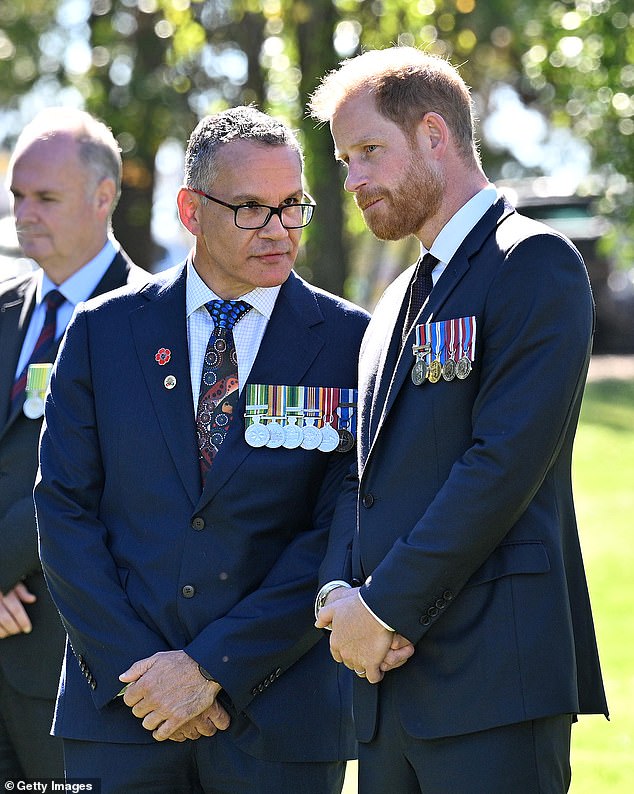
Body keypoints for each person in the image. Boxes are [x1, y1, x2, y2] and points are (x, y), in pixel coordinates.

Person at [34, 105, 368, 794]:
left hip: (279, 718)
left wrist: (212, 666)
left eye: (291, 206)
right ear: (190, 209)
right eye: (250, 208)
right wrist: (146, 675)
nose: (279, 231)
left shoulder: (346, 343)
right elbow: (64, 511)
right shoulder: (104, 332)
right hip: (122, 714)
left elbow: (342, 525)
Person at [309, 46, 608, 794]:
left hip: (492, 685)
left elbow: (501, 465)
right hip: (384, 690)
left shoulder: (533, 263)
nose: (353, 181)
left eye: (369, 151)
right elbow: (358, 479)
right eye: (345, 161)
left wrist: (382, 609)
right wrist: (335, 599)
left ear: (436, 135)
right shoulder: (392, 307)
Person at [0, 107, 146, 782]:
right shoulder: (3, 310)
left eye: (45, 198)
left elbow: (83, 479)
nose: (25, 212)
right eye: (17, 196)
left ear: (103, 197)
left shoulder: (150, 319)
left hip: (69, 667)